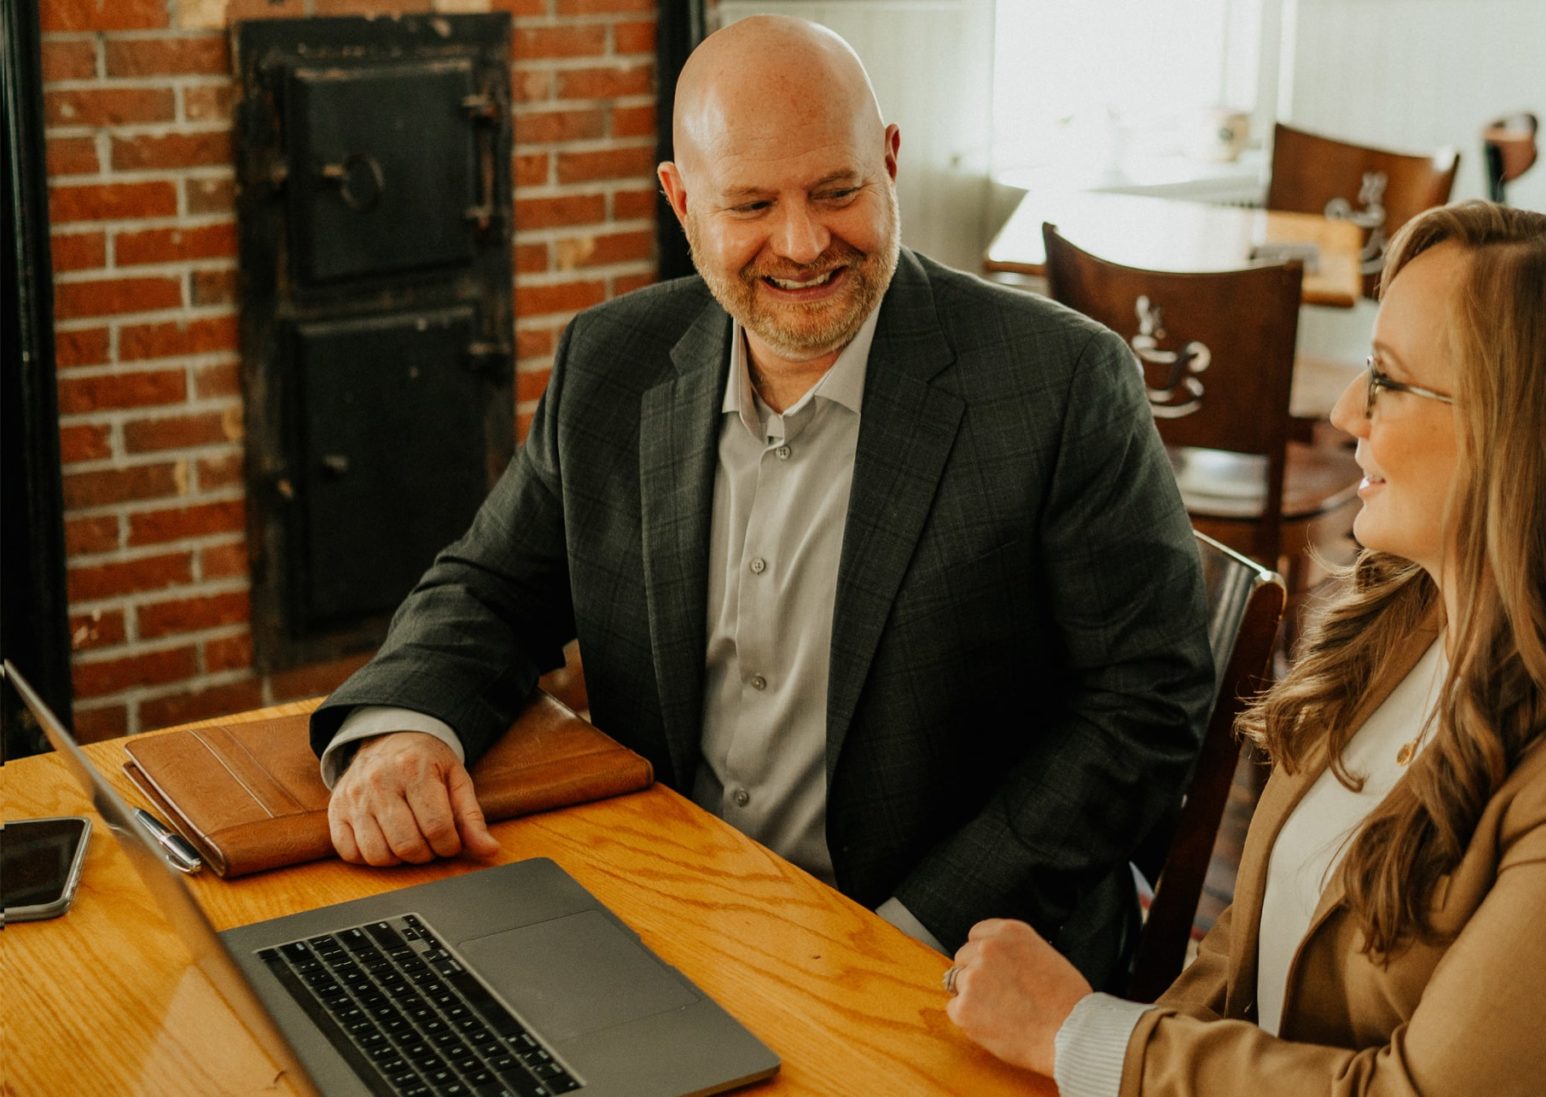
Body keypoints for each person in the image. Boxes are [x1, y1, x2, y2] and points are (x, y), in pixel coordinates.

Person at [308, 15, 1214, 985]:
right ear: (680, 199)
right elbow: (489, 589)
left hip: (950, 960)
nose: (803, 242)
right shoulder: (606, 363)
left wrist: (907, 931)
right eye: (750, 204)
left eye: (837, 190)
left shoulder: (1061, 382)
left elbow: (1143, 706)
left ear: (890, 161)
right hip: (669, 917)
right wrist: (408, 727)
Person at [942, 202, 1546, 1093]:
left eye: (1387, 379)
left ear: (1531, 435)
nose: (1342, 411)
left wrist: (1085, 1035)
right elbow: (1237, 961)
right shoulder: (1408, 615)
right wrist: (1098, 1045)